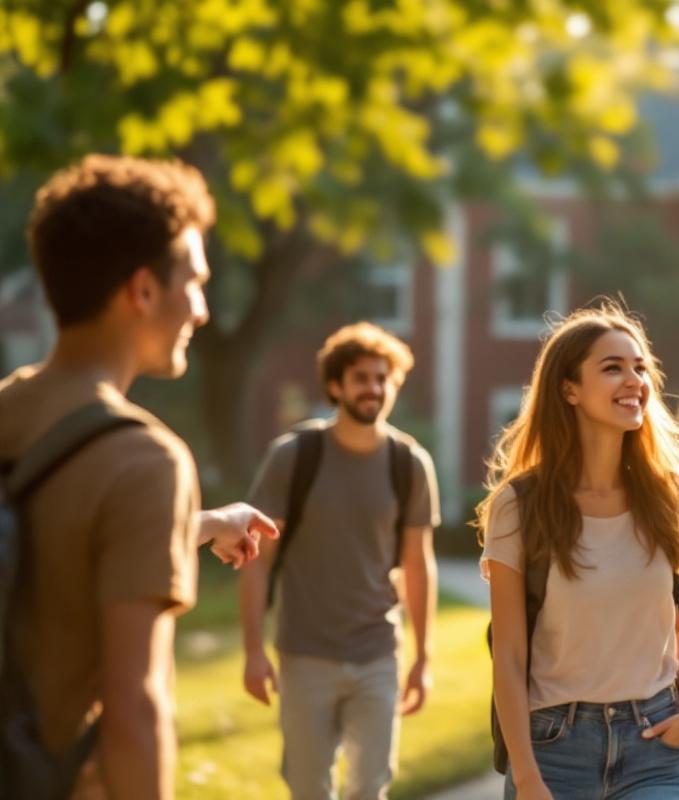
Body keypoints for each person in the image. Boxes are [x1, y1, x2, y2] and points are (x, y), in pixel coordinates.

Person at [0, 154, 276, 800]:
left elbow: (52, 543)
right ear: (143, 291)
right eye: (195, 282)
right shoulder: (146, 460)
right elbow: (136, 709)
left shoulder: (9, 408)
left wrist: (207, 523)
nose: (202, 310)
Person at [477, 303, 679, 800]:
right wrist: (527, 775)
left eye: (640, 367)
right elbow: (508, 656)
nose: (634, 380)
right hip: (554, 748)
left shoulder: (672, 495)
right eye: (612, 368)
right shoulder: (520, 505)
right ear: (569, 389)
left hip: (652, 744)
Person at [238, 321, 440, 800]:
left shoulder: (409, 463)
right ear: (335, 385)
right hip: (304, 653)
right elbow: (257, 560)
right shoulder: (293, 457)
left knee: (370, 787)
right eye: (361, 378)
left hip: (377, 653)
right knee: (308, 787)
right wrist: (252, 650)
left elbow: (418, 563)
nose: (373, 388)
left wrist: (423, 657)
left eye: (381, 378)